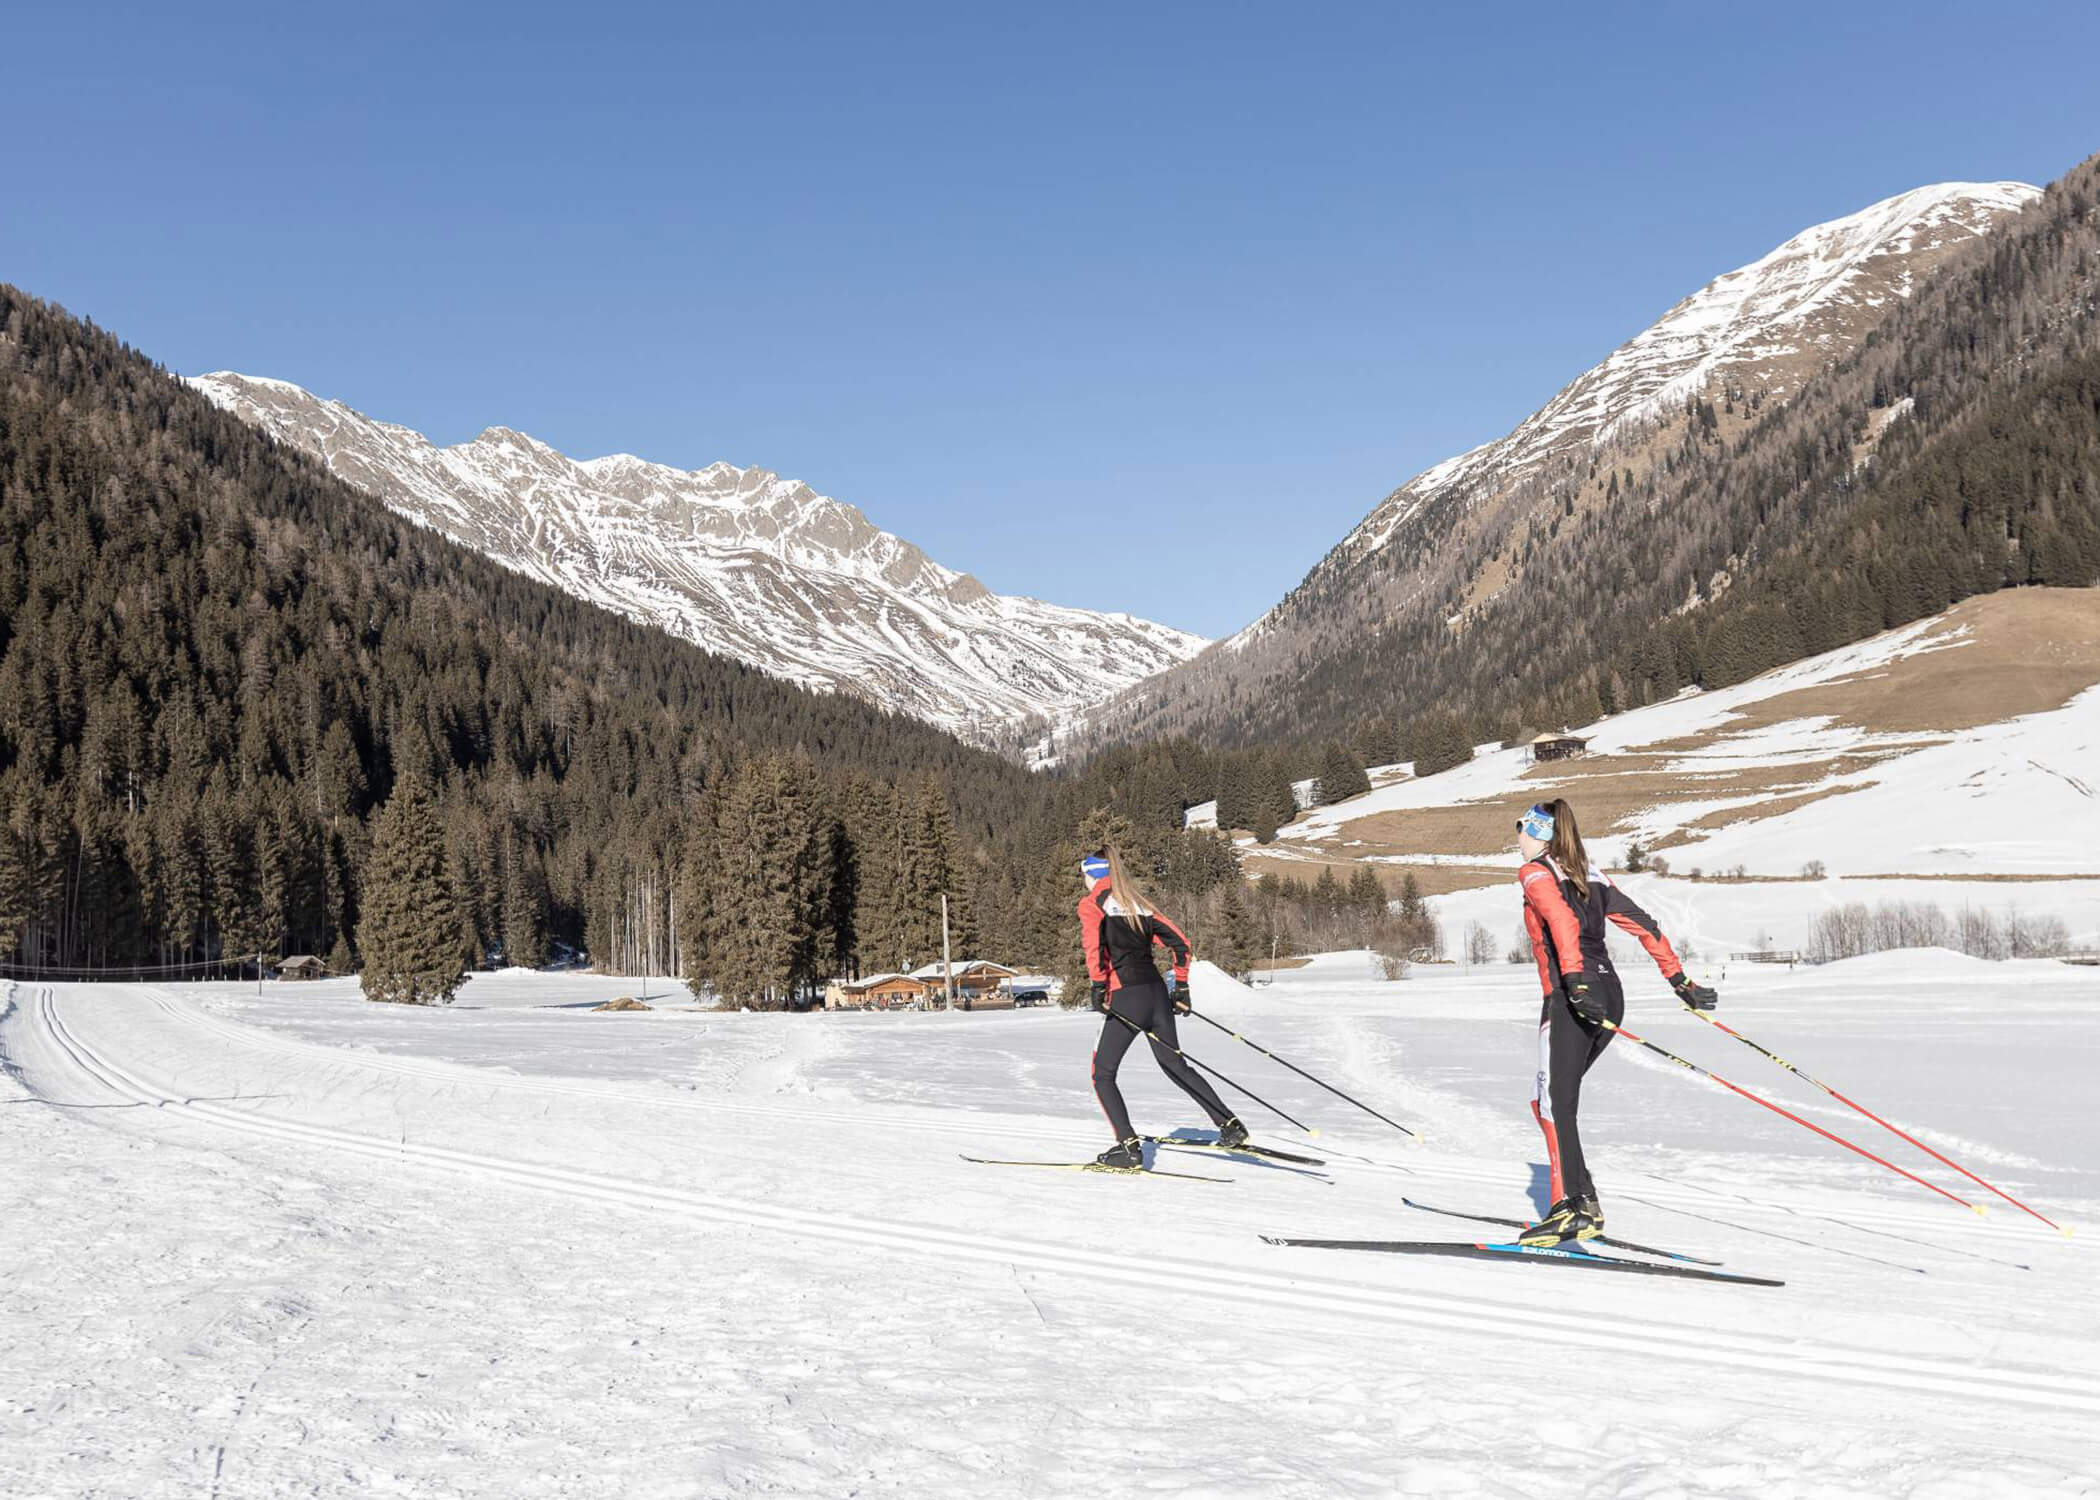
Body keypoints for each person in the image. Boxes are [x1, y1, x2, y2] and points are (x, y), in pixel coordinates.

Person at [1515, 799, 1717, 1244]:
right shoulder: (1591, 874)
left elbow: (1562, 921)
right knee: (1548, 1098)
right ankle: (1574, 1200)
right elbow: (1643, 924)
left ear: (1540, 835)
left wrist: (1573, 982)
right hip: (1610, 995)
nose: (1517, 838)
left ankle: (1573, 1207)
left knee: (1555, 1100)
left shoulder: (1535, 873)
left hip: (1573, 994)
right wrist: (1679, 980)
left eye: (1521, 828)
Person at [1079, 847, 1246, 1167]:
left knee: (1102, 1074)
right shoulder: (1138, 903)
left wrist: (1098, 986)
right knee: (1175, 1064)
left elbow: (1093, 948)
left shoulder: (1092, 905)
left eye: (1083, 874)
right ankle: (1229, 1125)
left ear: (1091, 874)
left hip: (1126, 997)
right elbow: (1181, 943)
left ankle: (1127, 1148)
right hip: (1156, 996)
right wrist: (1180, 985)